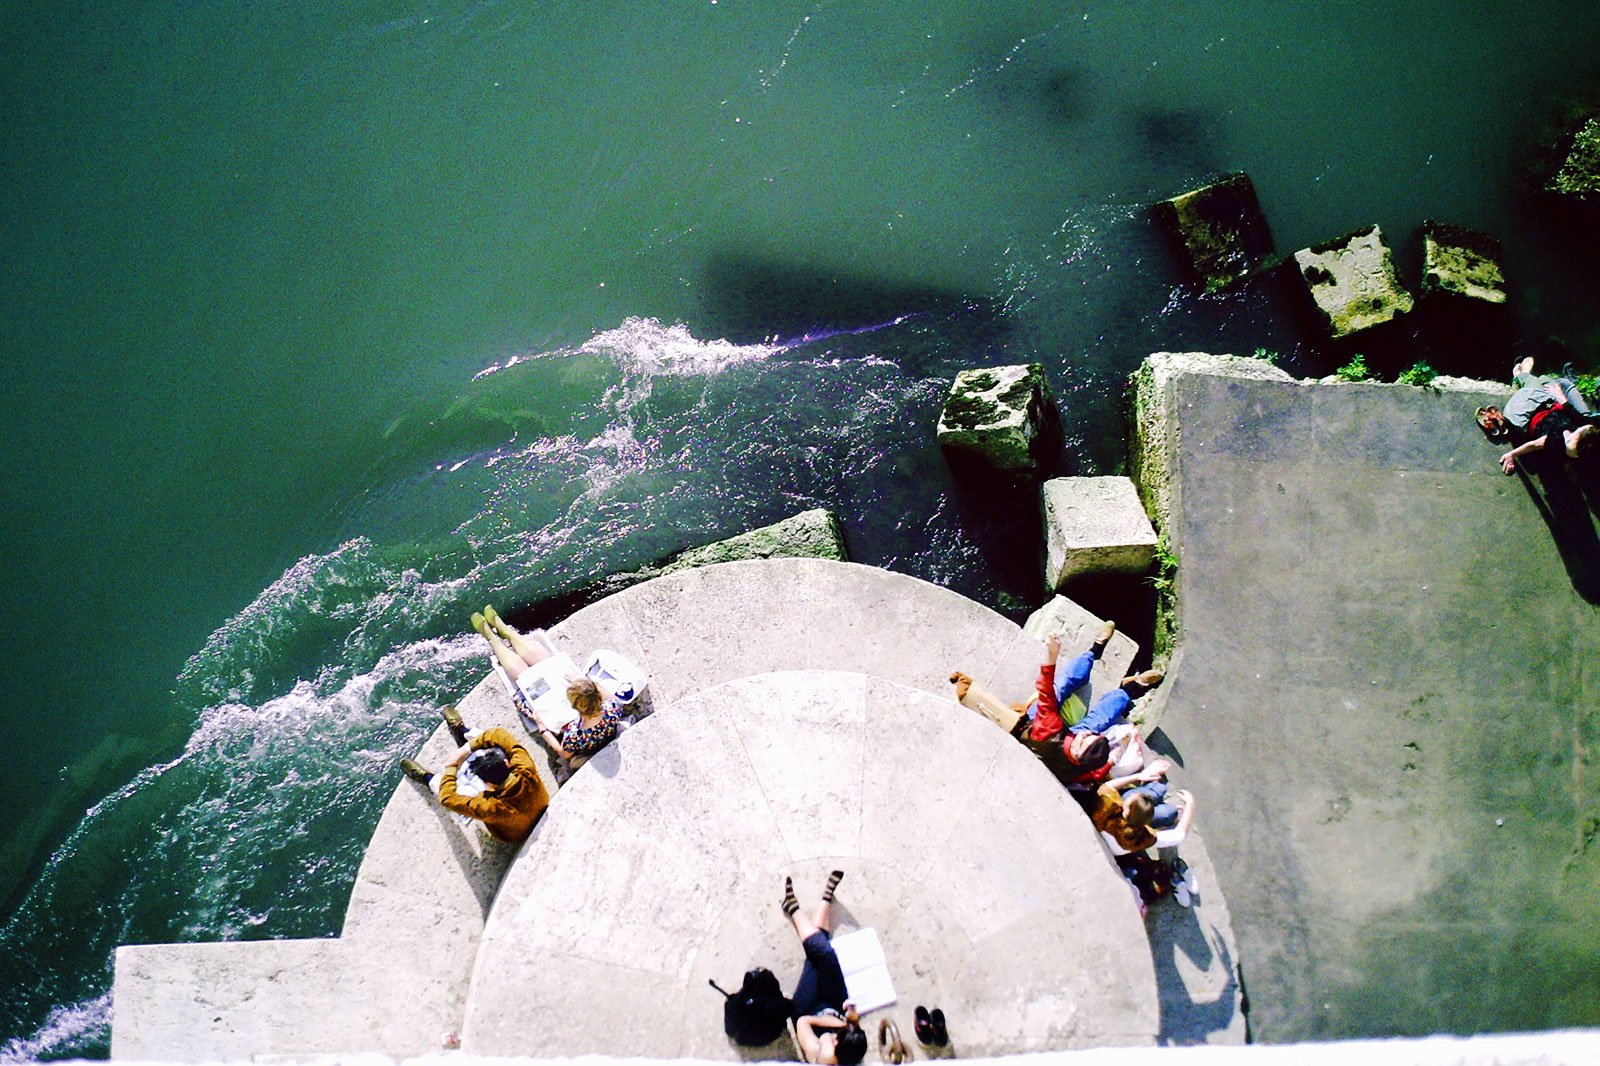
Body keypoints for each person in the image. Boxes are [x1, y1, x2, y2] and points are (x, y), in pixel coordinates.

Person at [950, 624, 1163, 760]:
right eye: (1089, 738)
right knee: (1096, 717)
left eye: (1085, 740)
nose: (1086, 735)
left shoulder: (1048, 729)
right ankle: (1123, 684)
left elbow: (1045, 695)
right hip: (1053, 738)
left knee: (1059, 689)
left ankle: (1103, 662)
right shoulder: (1080, 753)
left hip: (1040, 732)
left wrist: (1051, 656)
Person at [471, 605, 624, 761]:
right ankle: (505, 632)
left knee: (528, 677)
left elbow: (564, 753)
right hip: (574, 713)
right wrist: (583, 683)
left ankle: (493, 637)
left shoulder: (575, 735)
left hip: (556, 716)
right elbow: (610, 697)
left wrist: (542, 727)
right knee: (549, 668)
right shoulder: (612, 711)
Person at [399, 705, 549, 844]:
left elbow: (447, 798)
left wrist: (452, 766)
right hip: (540, 806)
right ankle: (463, 733)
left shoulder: (489, 807)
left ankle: (428, 779)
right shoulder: (525, 768)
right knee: (493, 743)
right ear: (507, 764)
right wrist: (466, 750)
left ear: (487, 784)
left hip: (515, 835)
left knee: (457, 791)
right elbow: (498, 734)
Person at [784, 871, 867, 1066]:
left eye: (836, 1039)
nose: (834, 1037)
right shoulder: (849, 1048)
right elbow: (851, 1026)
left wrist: (839, 1024)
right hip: (834, 1005)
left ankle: (794, 908)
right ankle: (824, 900)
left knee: (820, 955)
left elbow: (803, 1022)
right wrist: (851, 1018)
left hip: (808, 1009)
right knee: (825, 955)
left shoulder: (822, 1057)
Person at [1502, 356, 1594, 432]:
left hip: (1566, 421)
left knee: (1535, 383)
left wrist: (1562, 399)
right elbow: (1585, 421)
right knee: (1559, 383)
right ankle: (1525, 378)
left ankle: (1521, 376)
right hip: (1584, 418)